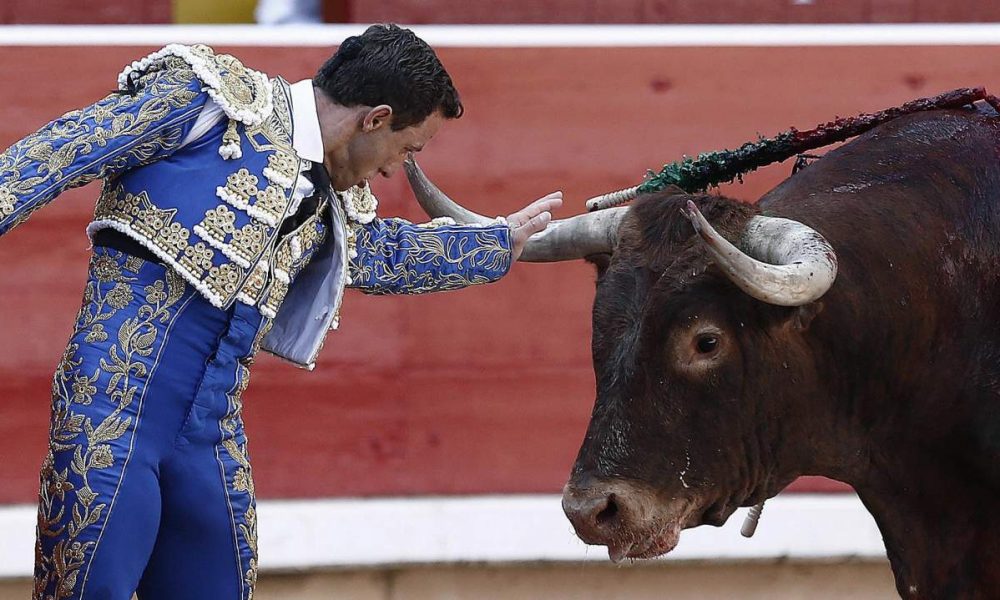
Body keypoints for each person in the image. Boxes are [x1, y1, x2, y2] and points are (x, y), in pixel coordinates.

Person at [0, 24, 561, 599]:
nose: (396, 168)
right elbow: (53, 155)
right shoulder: (207, 105)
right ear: (376, 119)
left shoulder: (332, 198)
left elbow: (381, 255)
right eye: (407, 148)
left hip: (210, 437)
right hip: (111, 415)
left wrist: (498, 243)